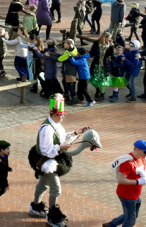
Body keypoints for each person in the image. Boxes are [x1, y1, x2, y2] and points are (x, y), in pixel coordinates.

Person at [29, 93, 91, 227]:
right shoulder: (47, 129)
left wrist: (76, 132)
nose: (63, 117)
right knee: (56, 189)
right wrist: (60, 147)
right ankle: (53, 217)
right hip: (47, 162)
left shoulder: (55, 124)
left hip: (50, 159)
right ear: (54, 115)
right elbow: (46, 149)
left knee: (42, 185)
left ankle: (35, 208)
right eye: (61, 115)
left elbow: (62, 137)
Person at [103, 140, 146, 227]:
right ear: (137, 149)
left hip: (135, 194)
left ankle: (111, 225)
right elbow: (120, 180)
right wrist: (138, 181)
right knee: (130, 220)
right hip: (127, 196)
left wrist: (144, 175)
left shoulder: (140, 159)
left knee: (132, 215)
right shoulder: (128, 163)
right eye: (145, 152)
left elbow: (142, 170)